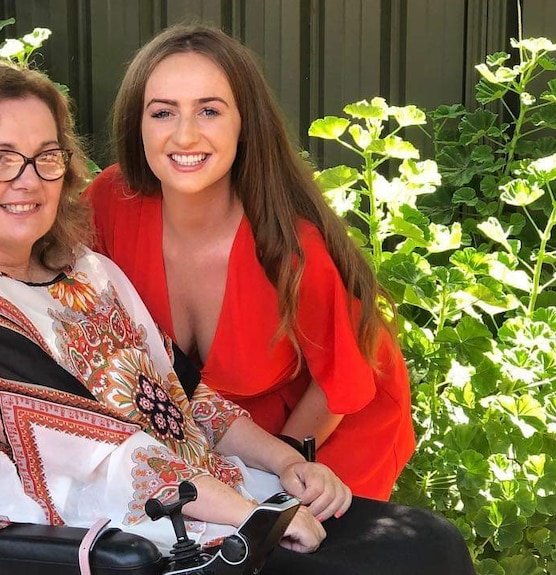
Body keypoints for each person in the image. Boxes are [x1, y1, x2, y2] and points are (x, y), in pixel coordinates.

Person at [0, 60, 475, 575]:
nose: (29, 181)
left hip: (198, 512)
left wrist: (288, 462)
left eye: (46, 156)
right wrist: (254, 517)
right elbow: (95, 459)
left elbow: (187, 399)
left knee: (429, 543)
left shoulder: (82, 271)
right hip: (97, 545)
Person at [86, 24, 415, 501]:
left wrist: (278, 474)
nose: (185, 134)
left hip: (319, 432)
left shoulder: (292, 247)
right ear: (137, 125)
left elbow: (339, 385)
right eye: (162, 112)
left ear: (245, 123)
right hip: (196, 436)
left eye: (209, 111)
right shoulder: (109, 203)